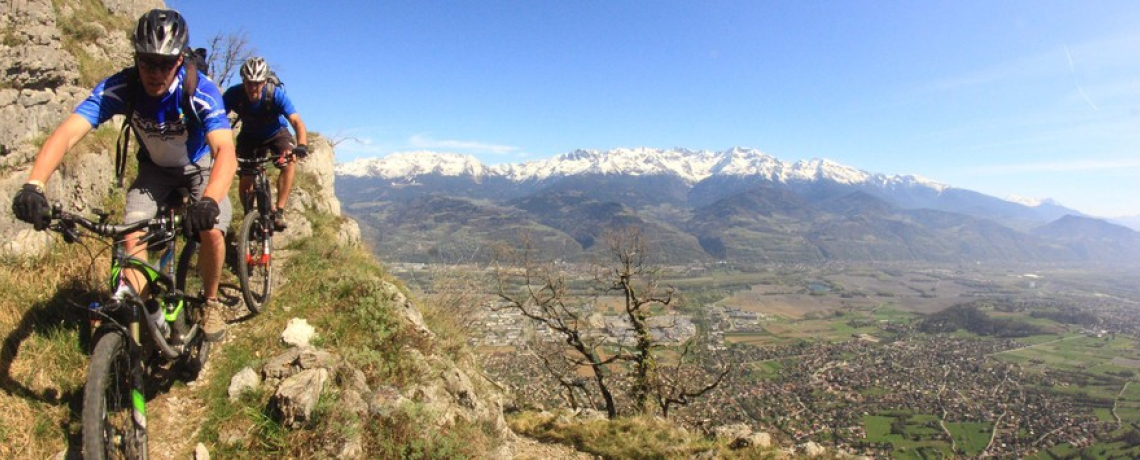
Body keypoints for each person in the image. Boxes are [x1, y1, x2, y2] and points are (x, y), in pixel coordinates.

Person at [10, 9, 236, 342]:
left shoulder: (198, 89)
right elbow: (68, 133)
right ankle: (144, 313)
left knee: (212, 233)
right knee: (132, 233)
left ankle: (211, 301)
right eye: (147, 62)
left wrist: (210, 202)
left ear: (179, 61)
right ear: (136, 58)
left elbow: (225, 152)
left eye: (165, 64)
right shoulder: (124, 86)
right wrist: (34, 184)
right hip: (155, 170)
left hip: (199, 167)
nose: (155, 73)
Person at [223, 56, 308, 230]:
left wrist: (302, 144)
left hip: (276, 133)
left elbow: (297, 121)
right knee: (246, 176)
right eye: (249, 82)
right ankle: (249, 215)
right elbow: (217, 119)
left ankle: (279, 211)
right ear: (243, 81)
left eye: (257, 83)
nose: (253, 87)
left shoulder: (275, 95)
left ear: (264, 82)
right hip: (249, 136)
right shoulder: (234, 94)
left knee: (288, 163)